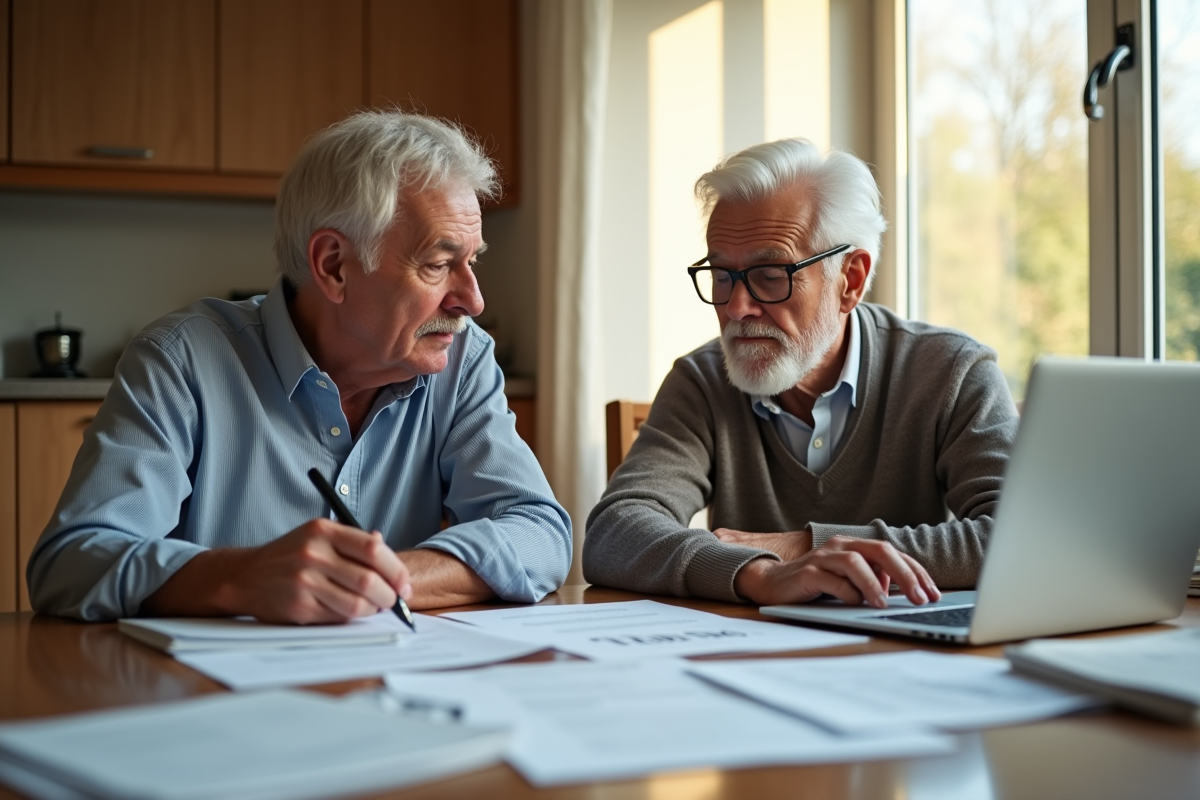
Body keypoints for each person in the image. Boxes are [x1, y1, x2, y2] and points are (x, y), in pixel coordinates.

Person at [28, 111, 571, 622]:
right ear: (333, 265)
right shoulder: (182, 360)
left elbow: (540, 533)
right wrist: (240, 577)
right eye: (437, 264)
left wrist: (376, 581)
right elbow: (71, 563)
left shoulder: (462, 359)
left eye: (471, 262)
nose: (472, 302)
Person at [584, 139, 1019, 609]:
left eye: (770, 275)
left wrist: (805, 545)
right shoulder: (702, 381)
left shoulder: (952, 372)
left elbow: (1021, 536)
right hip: (755, 655)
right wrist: (759, 574)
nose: (735, 307)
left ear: (849, 280)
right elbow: (614, 532)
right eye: (722, 275)